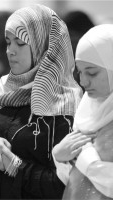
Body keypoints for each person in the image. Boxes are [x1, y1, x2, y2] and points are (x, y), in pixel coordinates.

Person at [0, 4, 81, 199]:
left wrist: (14, 167)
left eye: (20, 42)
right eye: (8, 42)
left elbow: (62, 186)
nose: (10, 50)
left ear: (43, 45)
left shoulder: (65, 104)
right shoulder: (4, 91)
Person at [52, 24, 113, 199]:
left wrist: (86, 161)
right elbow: (74, 180)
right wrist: (60, 158)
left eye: (92, 73)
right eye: (80, 73)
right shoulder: (87, 109)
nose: (84, 82)